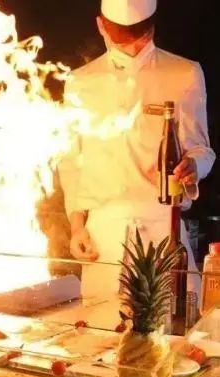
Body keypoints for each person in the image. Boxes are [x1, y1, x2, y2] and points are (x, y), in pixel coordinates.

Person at [59, 0, 216, 300]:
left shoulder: (184, 73)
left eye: (139, 38)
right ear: (101, 26)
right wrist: (77, 227)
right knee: (96, 325)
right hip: (102, 236)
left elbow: (202, 150)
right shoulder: (80, 82)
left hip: (163, 229)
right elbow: (70, 163)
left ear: (152, 29)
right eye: (121, 40)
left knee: (173, 325)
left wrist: (193, 166)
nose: (131, 49)